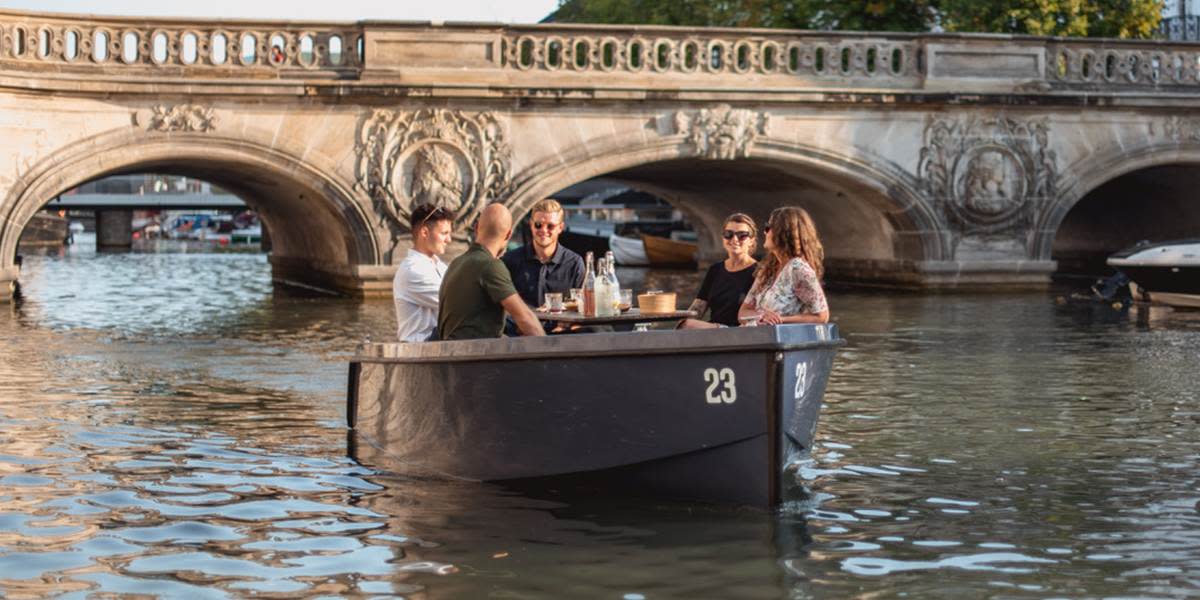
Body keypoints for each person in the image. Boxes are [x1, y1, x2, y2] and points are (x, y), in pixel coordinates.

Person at [436, 203, 546, 340]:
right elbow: (525, 318)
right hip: (475, 357)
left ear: (476, 228)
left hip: (453, 353)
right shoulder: (490, 265)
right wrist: (552, 355)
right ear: (508, 235)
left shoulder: (456, 263)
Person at [738, 206, 830, 325]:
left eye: (768, 228)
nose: (764, 232)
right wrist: (761, 316)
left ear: (784, 233)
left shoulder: (798, 268)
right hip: (756, 337)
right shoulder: (767, 270)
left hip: (779, 339)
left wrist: (779, 320)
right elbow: (742, 313)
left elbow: (821, 316)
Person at [680, 213, 759, 329]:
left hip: (740, 331)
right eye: (729, 234)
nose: (734, 239)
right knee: (684, 324)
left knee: (688, 324)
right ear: (723, 238)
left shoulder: (759, 271)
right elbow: (698, 308)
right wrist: (679, 322)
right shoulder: (715, 269)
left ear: (751, 241)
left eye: (742, 235)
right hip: (714, 331)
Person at [502, 198, 585, 309]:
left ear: (560, 228)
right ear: (531, 225)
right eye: (538, 224)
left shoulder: (574, 263)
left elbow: (581, 307)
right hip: (521, 326)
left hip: (562, 326)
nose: (544, 230)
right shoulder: (510, 260)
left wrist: (562, 326)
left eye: (550, 226)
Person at [393, 203, 453, 342]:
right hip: (421, 344)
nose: (449, 240)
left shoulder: (440, 266)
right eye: (444, 233)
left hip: (438, 340)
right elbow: (453, 303)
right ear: (425, 232)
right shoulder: (412, 269)